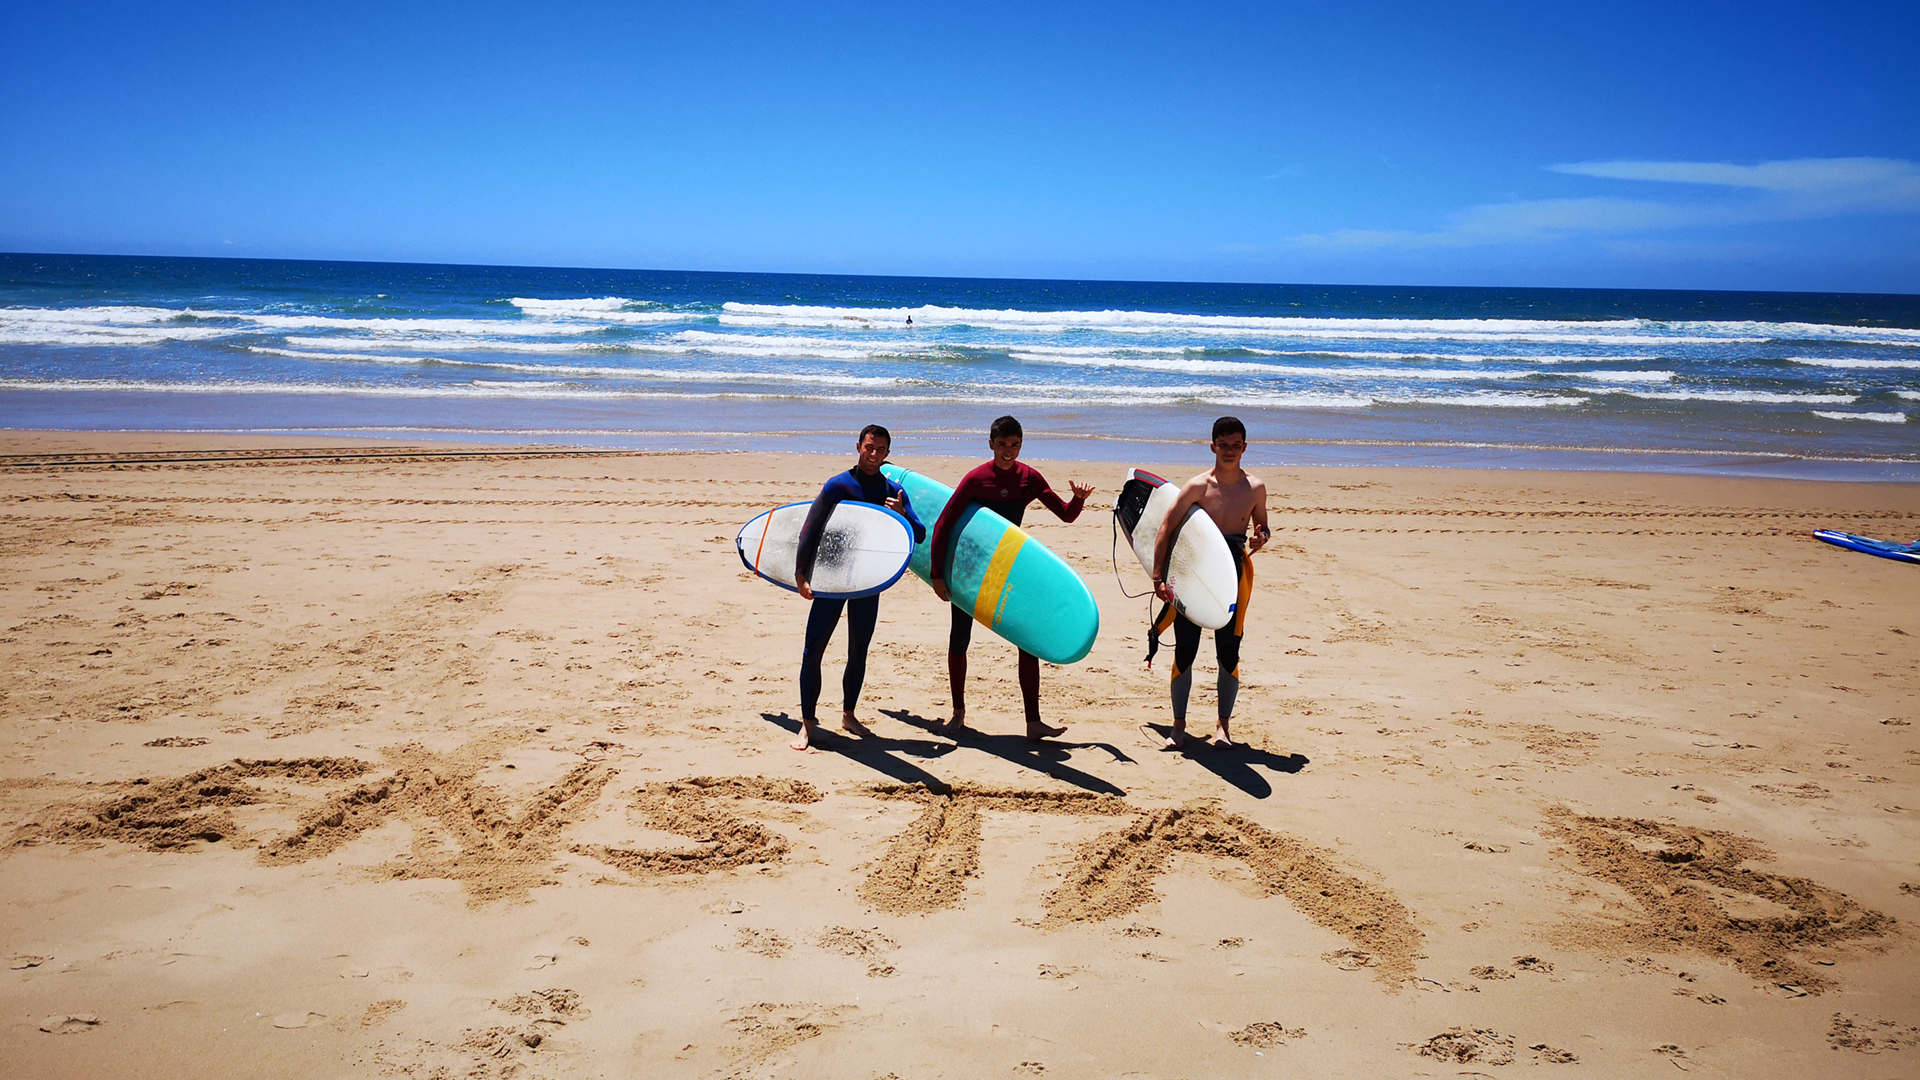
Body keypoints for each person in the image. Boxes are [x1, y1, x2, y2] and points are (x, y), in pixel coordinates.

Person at [929, 415, 1094, 740]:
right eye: (1002, 445)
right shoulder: (977, 479)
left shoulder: (1028, 478)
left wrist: (1078, 499)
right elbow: (943, 525)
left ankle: (1033, 723)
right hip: (972, 566)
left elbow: (1065, 514)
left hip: (1010, 566)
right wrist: (937, 573)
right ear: (991, 444)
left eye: (1014, 445)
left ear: (1021, 444)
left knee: (1027, 641)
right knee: (960, 637)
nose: (1008, 451)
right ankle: (958, 712)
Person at [792, 424, 926, 751]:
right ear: (858, 446)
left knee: (858, 650)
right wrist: (801, 574)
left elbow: (920, 534)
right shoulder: (839, 485)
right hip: (832, 579)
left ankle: (848, 715)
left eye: (881, 449)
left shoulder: (895, 491)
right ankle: (807, 724)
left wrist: (902, 514)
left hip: (868, 581)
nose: (874, 454)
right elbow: (811, 528)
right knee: (813, 651)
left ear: (888, 454)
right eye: (869, 447)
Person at [1150, 416, 1270, 749]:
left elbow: (1261, 526)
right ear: (1212, 446)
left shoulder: (1255, 488)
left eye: (1236, 445)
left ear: (1244, 447)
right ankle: (1178, 726)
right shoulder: (1197, 487)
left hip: (1233, 575)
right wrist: (1159, 577)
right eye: (1224, 445)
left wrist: (1261, 538)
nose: (1229, 451)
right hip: (1193, 573)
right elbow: (1165, 530)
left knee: (1228, 653)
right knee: (1186, 650)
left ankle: (1223, 726)